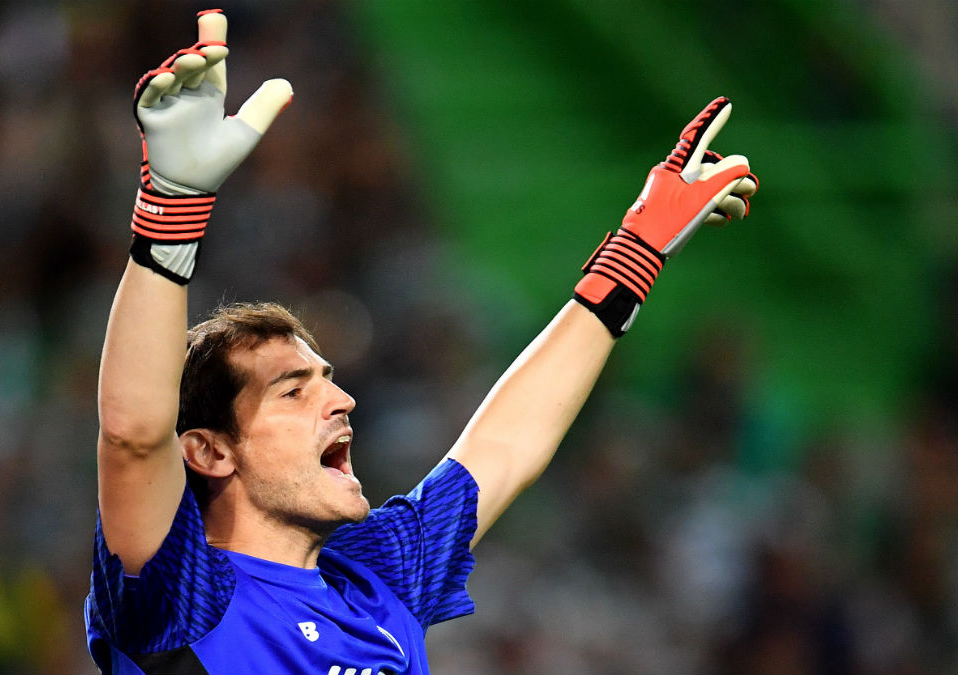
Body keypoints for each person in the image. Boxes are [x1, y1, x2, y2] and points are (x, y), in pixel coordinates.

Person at [84, 9, 759, 675]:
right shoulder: (184, 594)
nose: (342, 399)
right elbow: (134, 435)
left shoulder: (378, 577)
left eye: (328, 377)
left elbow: (501, 445)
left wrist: (633, 255)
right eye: (294, 389)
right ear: (208, 449)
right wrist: (170, 212)